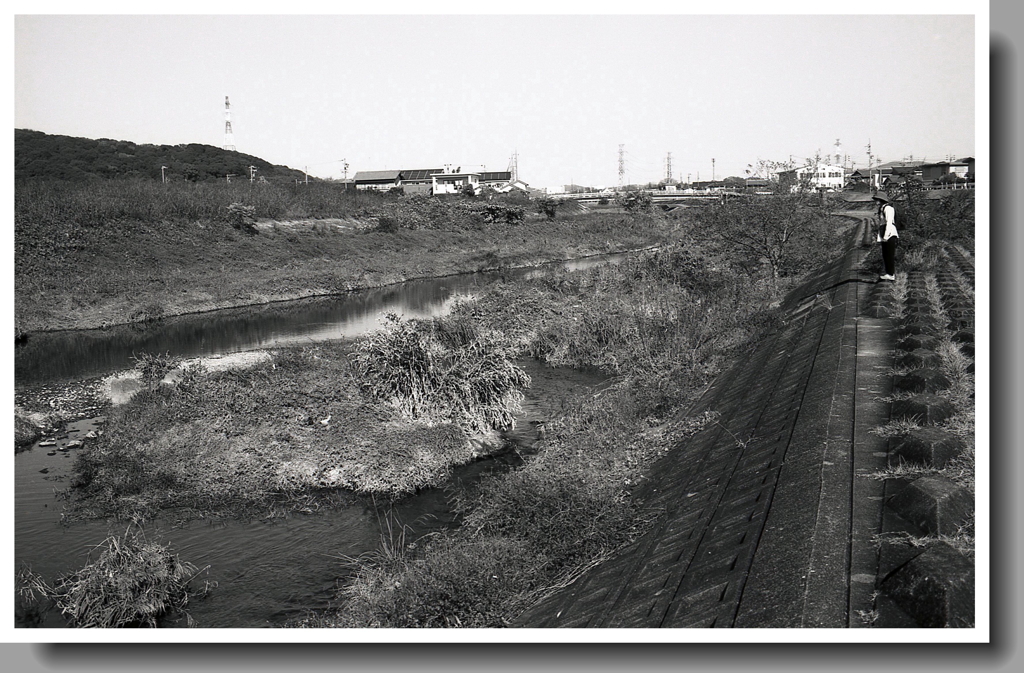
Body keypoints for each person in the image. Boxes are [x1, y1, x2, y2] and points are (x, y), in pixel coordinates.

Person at [873, 193, 899, 281]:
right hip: (885, 234)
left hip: (890, 234)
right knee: (886, 254)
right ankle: (888, 273)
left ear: (881, 200)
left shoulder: (888, 209)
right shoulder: (882, 208)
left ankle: (891, 274)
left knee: (889, 254)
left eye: (877, 199)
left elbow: (889, 223)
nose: (875, 201)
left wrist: (886, 235)